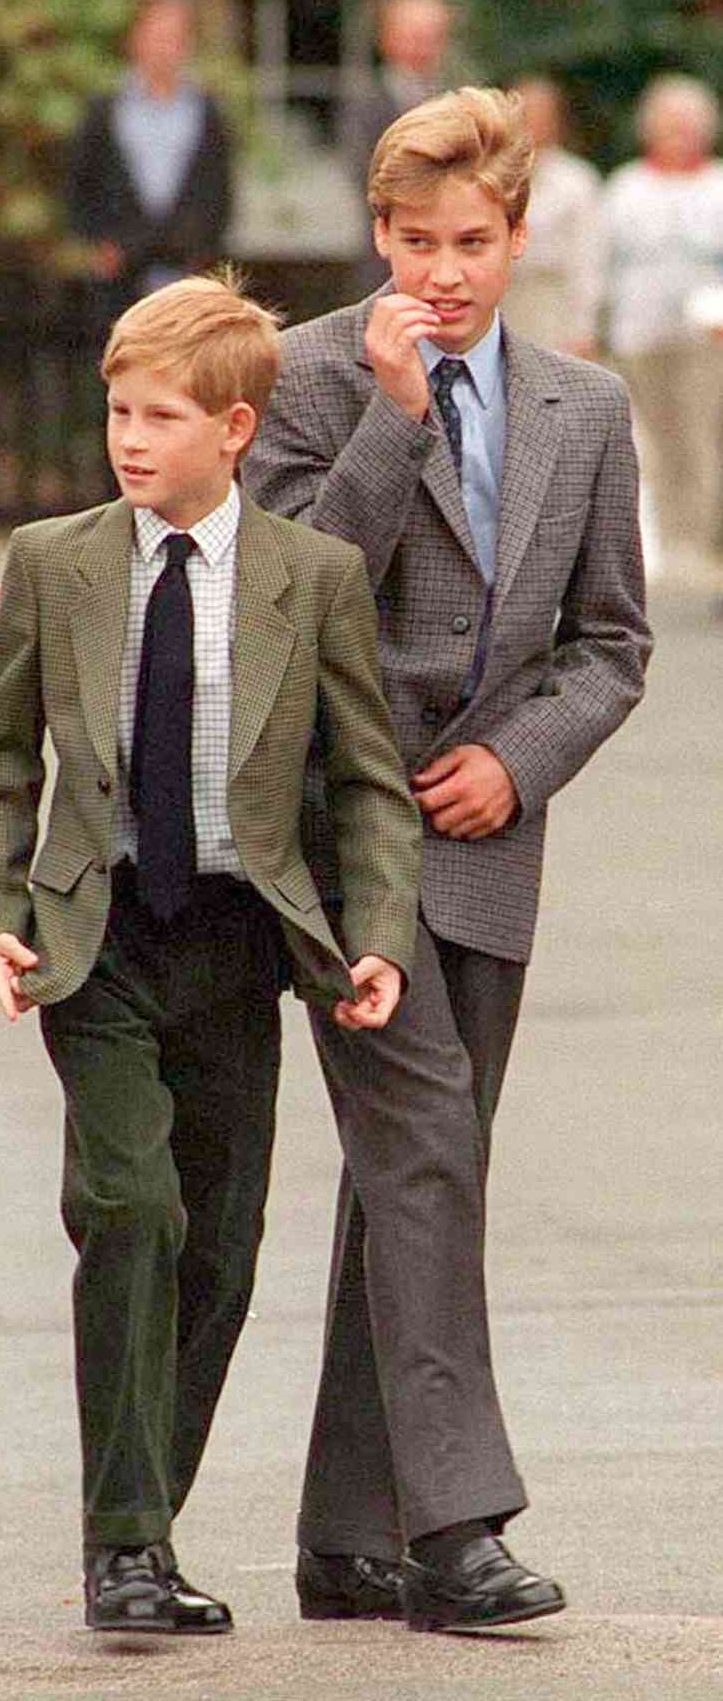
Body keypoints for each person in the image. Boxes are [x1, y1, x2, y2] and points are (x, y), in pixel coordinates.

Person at [0, 271, 421, 1636]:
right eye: (117, 410)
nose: (130, 438)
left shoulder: (312, 578)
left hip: (239, 943)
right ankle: (127, 1544)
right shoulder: (56, 560)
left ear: (237, 428)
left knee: (219, 1243)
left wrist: (375, 932)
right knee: (132, 1206)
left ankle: (144, 1515)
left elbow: (369, 783)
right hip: (92, 940)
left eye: (161, 415)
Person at [246, 86, 651, 1630]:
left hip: (488, 834)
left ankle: (346, 1528)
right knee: (428, 1148)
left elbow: (612, 642)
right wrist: (392, 414)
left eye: (472, 242)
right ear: (377, 231)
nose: (444, 271)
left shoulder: (585, 407)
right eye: (415, 240)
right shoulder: (302, 377)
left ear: (518, 237)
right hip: (344, 831)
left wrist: (517, 757)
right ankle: (453, 1529)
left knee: (407, 1168)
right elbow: (289, 591)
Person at [600, 74, 723, 590]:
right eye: (668, 126)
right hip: (640, 333)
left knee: (704, 437)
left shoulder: (718, 184)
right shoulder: (626, 186)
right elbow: (604, 262)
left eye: (687, 127)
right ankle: (669, 542)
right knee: (654, 439)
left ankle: (703, 539)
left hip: (708, 337)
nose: (678, 136)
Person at [66, 0, 232, 336]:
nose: (164, 49)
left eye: (174, 38)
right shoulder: (105, 110)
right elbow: (80, 180)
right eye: (156, 36)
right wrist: (99, 243)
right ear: (136, 40)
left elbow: (219, 187)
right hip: (120, 264)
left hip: (183, 263)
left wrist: (203, 250)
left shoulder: (206, 110)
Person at [341, 0, 454, 292]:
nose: (423, 47)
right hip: (386, 260)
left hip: (450, 259)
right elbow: (364, 174)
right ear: (387, 39)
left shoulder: (457, 100)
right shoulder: (366, 101)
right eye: (414, 36)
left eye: (432, 37)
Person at [500, 76, 602, 357]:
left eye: (541, 114)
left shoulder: (578, 181)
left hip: (554, 304)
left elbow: (587, 259)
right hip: (504, 300)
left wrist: (583, 328)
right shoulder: (491, 176)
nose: (532, 122)